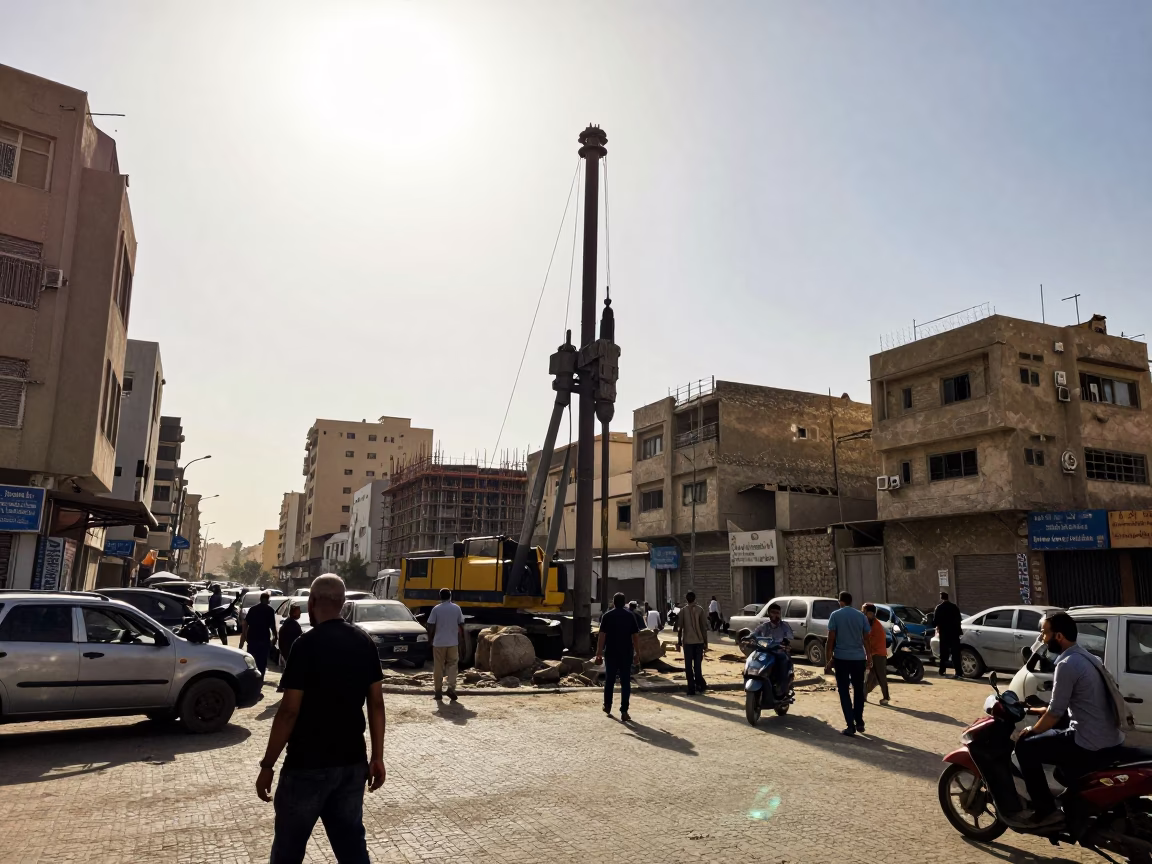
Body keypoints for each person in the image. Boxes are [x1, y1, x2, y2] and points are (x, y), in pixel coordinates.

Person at [256, 574, 386, 864]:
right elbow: (376, 704)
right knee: (352, 848)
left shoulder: (305, 645)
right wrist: (377, 757)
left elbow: (289, 711)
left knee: (288, 851)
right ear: (342, 604)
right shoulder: (364, 642)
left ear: (312, 602)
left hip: (306, 767)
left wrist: (267, 765)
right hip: (352, 765)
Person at [1011, 612, 1127, 828]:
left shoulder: (1066, 664)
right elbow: (1071, 705)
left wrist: (1032, 731)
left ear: (1059, 636)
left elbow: (1055, 713)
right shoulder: (1088, 657)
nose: (1042, 639)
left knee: (1025, 747)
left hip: (1088, 741)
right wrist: (1037, 710)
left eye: (1045, 633)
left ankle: (1045, 811)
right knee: (1053, 738)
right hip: (1110, 736)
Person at [823, 592, 871, 735]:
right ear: (851, 601)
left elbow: (830, 640)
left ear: (840, 602)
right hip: (858, 658)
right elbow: (866, 639)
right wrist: (869, 657)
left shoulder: (835, 615)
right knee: (858, 690)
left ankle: (850, 725)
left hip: (841, 659)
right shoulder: (861, 616)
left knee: (844, 691)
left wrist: (828, 661)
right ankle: (859, 721)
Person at [595, 592, 641, 721]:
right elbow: (635, 636)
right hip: (626, 652)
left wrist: (599, 653)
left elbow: (602, 635)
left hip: (611, 652)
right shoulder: (630, 616)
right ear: (624, 602)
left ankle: (608, 705)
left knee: (609, 679)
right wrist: (637, 652)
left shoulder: (607, 616)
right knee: (625, 681)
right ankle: (624, 711)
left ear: (613, 603)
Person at [425, 588, 466, 701]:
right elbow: (461, 624)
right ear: (450, 596)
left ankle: (438, 692)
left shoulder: (436, 609)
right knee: (452, 666)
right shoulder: (456, 608)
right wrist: (461, 640)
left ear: (440, 596)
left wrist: (430, 639)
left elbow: (430, 625)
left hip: (439, 643)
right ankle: (451, 688)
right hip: (453, 642)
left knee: (438, 667)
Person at [750, 602, 793, 696]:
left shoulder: (784, 626)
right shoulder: (764, 626)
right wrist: (748, 638)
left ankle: (781, 687)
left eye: (777, 613)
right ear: (769, 614)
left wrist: (785, 641)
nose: (775, 615)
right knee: (754, 658)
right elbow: (754, 634)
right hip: (765, 651)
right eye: (773, 612)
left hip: (780, 651)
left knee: (782, 660)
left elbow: (789, 636)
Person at [675, 591, 709, 695]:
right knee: (697, 665)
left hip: (688, 642)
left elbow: (679, 627)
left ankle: (691, 689)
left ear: (686, 599)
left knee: (688, 666)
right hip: (699, 641)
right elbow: (704, 627)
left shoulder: (683, 611)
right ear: (695, 599)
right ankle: (700, 685)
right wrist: (705, 642)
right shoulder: (700, 610)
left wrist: (679, 641)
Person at [240, 591, 278, 683]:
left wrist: (243, 637)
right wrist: (275, 636)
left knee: (251, 660)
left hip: (252, 638)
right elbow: (272, 626)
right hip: (263, 639)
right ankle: (260, 680)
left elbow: (245, 624)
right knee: (262, 661)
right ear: (268, 600)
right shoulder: (270, 610)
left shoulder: (253, 609)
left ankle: (251, 680)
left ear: (260, 599)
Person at [862, 603, 890, 705]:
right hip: (874, 653)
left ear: (870, 613)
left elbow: (867, 640)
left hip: (877, 654)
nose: (863, 613)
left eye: (864, 611)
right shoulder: (872, 623)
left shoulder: (873, 625)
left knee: (880, 676)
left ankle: (886, 697)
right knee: (868, 676)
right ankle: (863, 696)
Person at [933, 592, 963, 678]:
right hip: (954, 634)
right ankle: (958, 672)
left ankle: (942, 670)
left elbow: (935, 622)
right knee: (956, 654)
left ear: (941, 598)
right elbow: (959, 620)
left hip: (944, 634)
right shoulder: (954, 607)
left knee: (944, 654)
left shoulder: (939, 608)